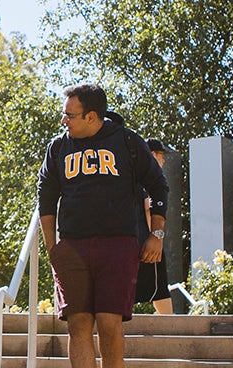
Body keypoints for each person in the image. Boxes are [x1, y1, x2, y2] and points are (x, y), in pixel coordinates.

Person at [39, 84, 168, 368]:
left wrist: (156, 234)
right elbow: (45, 199)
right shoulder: (58, 147)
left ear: (92, 116)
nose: (64, 121)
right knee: (79, 324)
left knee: (109, 324)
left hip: (118, 245)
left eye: (70, 115)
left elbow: (158, 185)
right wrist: (53, 249)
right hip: (72, 247)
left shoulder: (127, 142)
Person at [135, 139, 174, 315]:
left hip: (136, 239)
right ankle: (170, 324)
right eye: (160, 155)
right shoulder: (147, 179)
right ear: (151, 154)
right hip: (147, 240)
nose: (163, 160)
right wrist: (156, 237)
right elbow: (148, 207)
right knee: (160, 287)